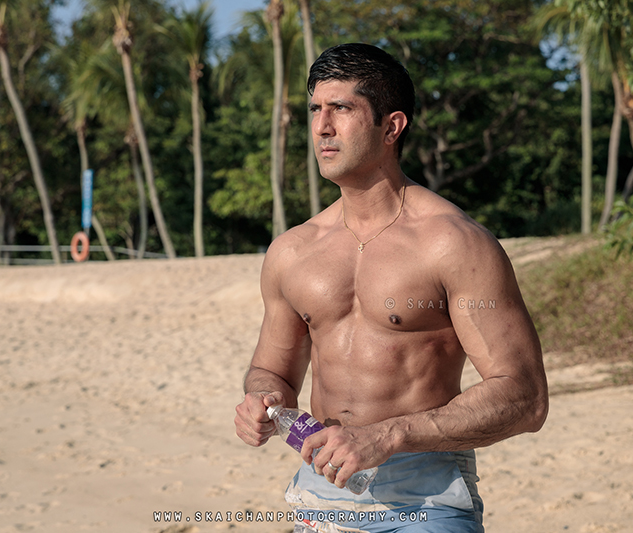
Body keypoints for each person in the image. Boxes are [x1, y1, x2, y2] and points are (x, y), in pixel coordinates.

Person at [234, 43, 548, 533]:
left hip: (428, 498)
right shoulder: (292, 253)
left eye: (341, 109)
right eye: (315, 109)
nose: (321, 127)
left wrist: (390, 435)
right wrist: (262, 399)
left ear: (391, 126)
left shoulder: (453, 245)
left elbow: (524, 397)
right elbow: (270, 370)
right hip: (321, 494)